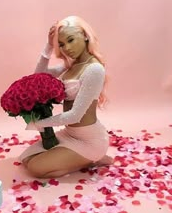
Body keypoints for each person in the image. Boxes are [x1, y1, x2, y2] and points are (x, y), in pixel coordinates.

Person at [19, 15, 112, 178]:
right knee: (26, 159)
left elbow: (75, 115)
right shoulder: (70, 66)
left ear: (84, 35)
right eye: (61, 44)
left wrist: (39, 123)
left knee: (35, 168)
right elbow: (38, 77)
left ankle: (91, 159)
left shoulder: (94, 69)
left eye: (71, 40)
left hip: (89, 141)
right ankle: (82, 160)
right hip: (69, 134)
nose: (67, 48)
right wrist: (48, 46)